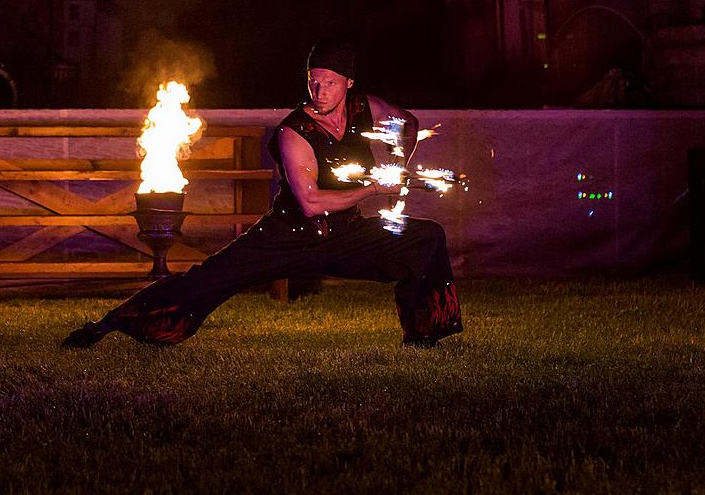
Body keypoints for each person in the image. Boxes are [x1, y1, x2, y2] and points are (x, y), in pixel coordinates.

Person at [61, 37, 462, 349]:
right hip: (287, 237)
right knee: (206, 280)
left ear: (349, 85)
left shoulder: (364, 108)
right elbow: (310, 202)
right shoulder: (293, 132)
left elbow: (408, 122)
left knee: (425, 238)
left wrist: (398, 162)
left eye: (330, 83)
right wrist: (376, 186)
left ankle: (423, 337)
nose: (320, 90)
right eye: (314, 81)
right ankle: (109, 325)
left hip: (345, 233)